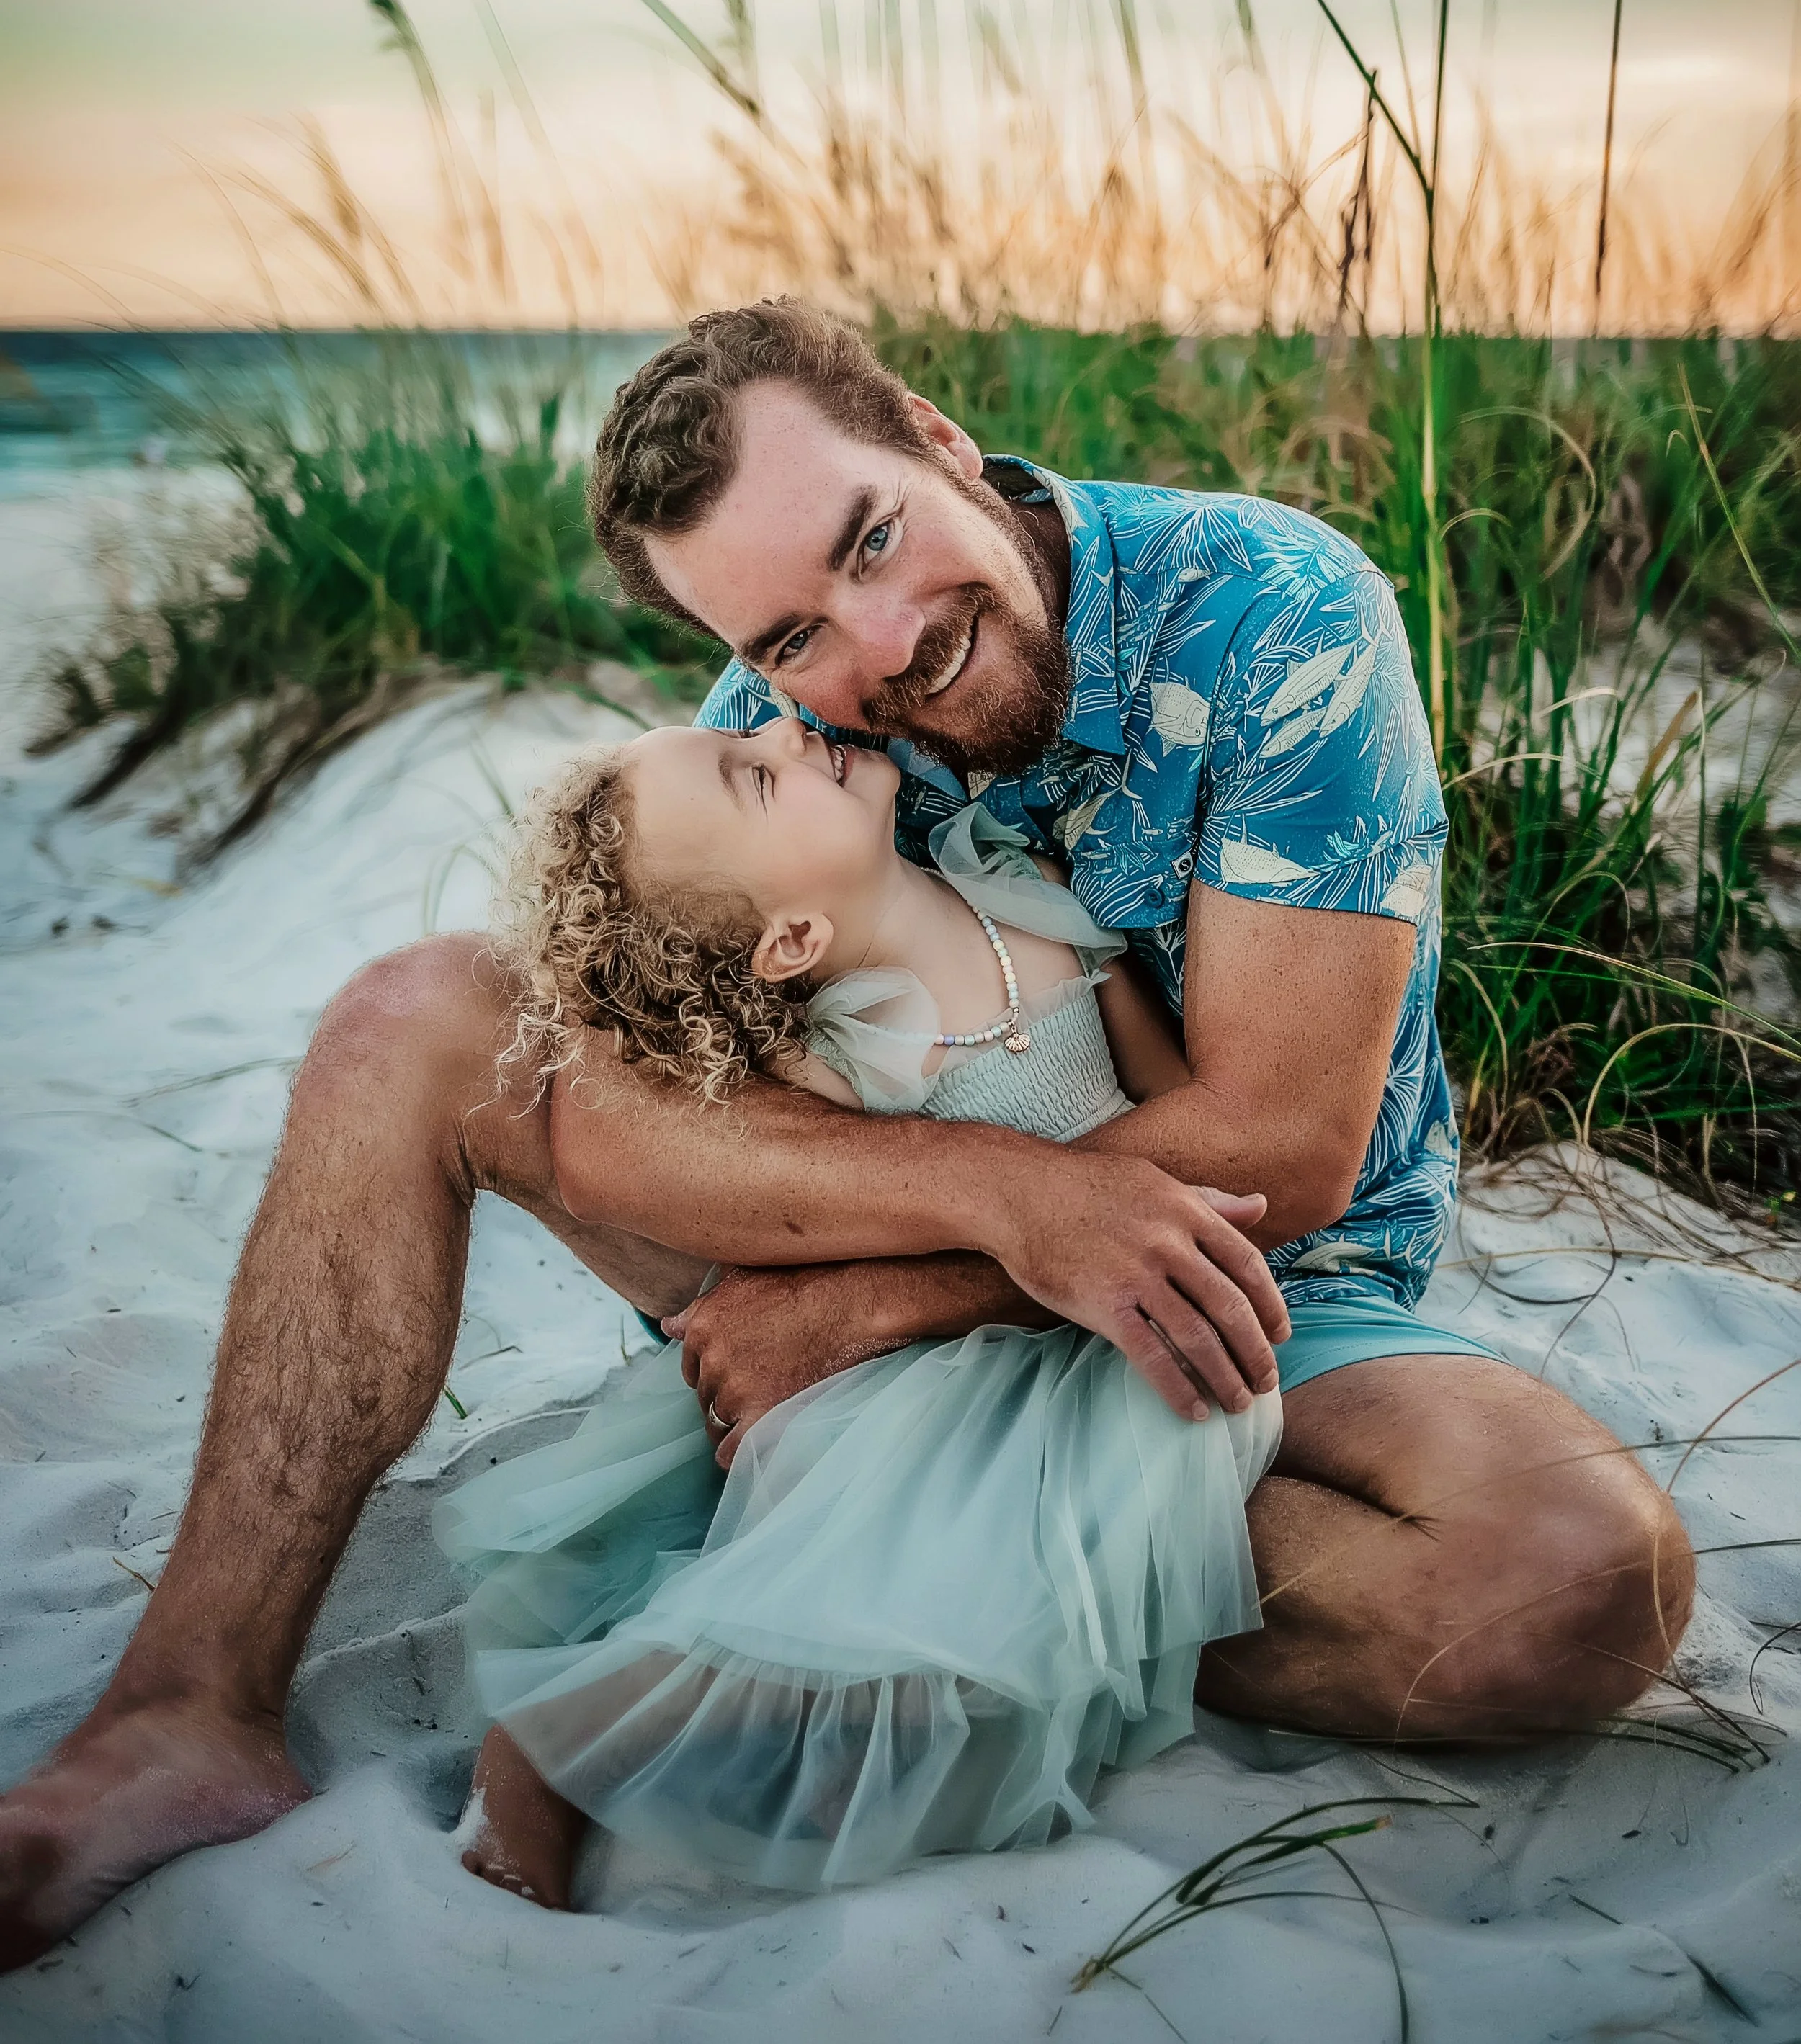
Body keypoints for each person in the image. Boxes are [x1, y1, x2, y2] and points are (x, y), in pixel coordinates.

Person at [0, 300, 1694, 1971]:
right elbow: (679, 1096)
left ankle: (916, 1596)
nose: (873, 652)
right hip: (886, 1257)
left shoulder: (1270, 618)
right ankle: (183, 1714)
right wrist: (969, 1213)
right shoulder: (785, 740)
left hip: (1259, 1288)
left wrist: (880, 1299)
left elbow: (1281, 1150)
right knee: (406, 1023)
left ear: (944, 445)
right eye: (789, 638)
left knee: (1563, 1578)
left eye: (875, 539)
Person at [440, 734, 1284, 1905]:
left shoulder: (1021, 895)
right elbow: (825, 1231)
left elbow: (1166, 1104)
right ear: (790, 940)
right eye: (756, 776)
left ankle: (813, 1758)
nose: (786, 729)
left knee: (966, 1651)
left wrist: (1182, 1208)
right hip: (925, 1382)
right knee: (839, 1625)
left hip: (1091, 1342)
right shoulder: (831, 1050)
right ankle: (554, 1740)